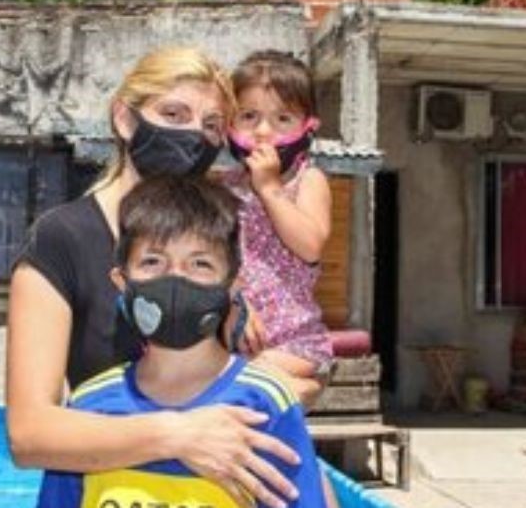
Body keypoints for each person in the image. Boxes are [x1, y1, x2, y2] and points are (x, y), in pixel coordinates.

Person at [6, 47, 304, 508]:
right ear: (125, 119)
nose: (192, 135)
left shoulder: (218, 234)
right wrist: (178, 436)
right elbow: (29, 433)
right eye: (173, 114)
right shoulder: (61, 239)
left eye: (210, 125)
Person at [36, 176, 325, 508]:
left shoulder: (265, 403)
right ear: (121, 281)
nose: (175, 279)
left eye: (200, 264)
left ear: (233, 286)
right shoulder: (89, 405)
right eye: (152, 262)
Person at [221, 50, 333, 404]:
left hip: (292, 341)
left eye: (282, 118)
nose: (263, 132)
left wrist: (269, 188)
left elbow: (310, 245)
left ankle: (291, 391)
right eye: (249, 116)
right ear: (229, 124)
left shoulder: (308, 180)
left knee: (246, 383)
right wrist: (232, 297)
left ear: (308, 127)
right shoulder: (222, 188)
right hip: (231, 333)